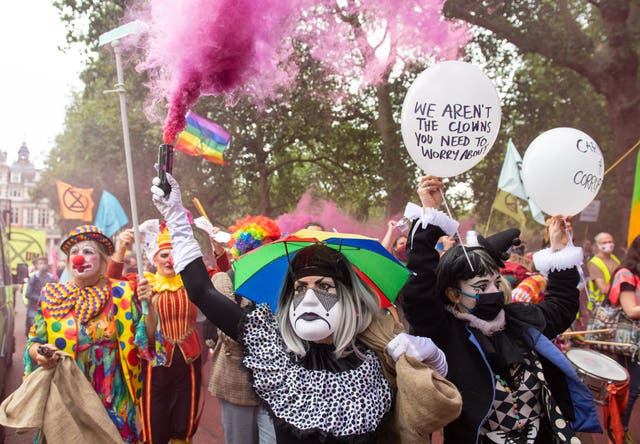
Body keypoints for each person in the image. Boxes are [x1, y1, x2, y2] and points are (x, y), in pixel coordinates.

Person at [151, 173, 461, 443]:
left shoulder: (377, 353)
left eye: (324, 286)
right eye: (300, 287)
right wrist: (176, 215)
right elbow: (201, 290)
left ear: (349, 299)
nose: (309, 298)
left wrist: (429, 360)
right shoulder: (271, 344)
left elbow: (430, 404)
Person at [401, 175, 601, 443]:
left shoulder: (518, 320)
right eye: (480, 286)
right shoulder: (446, 333)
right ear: (453, 294)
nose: (493, 292)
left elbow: (561, 307)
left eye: (497, 282)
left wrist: (559, 248)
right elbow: (419, 291)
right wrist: (429, 214)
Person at [24, 225, 152, 443]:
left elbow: (145, 340)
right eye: (74, 253)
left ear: (103, 260)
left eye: (87, 251)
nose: (78, 258)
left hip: (113, 397)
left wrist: (150, 306)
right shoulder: (52, 295)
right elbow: (33, 343)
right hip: (68, 397)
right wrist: (41, 354)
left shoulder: (121, 292)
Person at [106, 226, 230, 444]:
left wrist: (218, 250)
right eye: (164, 254)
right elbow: (110, 285)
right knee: (155, 425)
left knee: (185, 422)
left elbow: (225, 278)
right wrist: (120, 250)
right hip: (154, 364)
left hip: (189, 360)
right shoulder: (141, 282)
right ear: (154, 259)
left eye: (174, 254)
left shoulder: (194, 280)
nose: (169, 260)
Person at [204, 215, 280, 444]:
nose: (270, 256)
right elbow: (232, 333)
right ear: (249, 250)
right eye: (263, 249)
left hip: (274, 385)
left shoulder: (280, 283)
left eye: (272, 249)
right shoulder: (225, 280)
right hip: (236, 381)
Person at [607, 234, 640, 443]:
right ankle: (617, 433)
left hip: (636, 341)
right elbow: (631, 310)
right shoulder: (626, 274)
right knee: (631, 387)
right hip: (628, 342)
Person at [587, 232, 620, 311]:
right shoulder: (594, 263)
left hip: (613, 304)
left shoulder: (614, 258)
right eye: (604, 242)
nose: (608, 244)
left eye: (610, 242)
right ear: (597, 245)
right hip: (601, 306)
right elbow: (603, 289)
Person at [23, 257, 55, 337]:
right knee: (32, 329)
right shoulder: (34, 277)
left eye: (44, 263)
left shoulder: (51, 278)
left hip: (47, 308)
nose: (42, 265)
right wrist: (40, 298)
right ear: (37, 265)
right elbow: (28, 293)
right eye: (40, 263)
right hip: (34, 309)